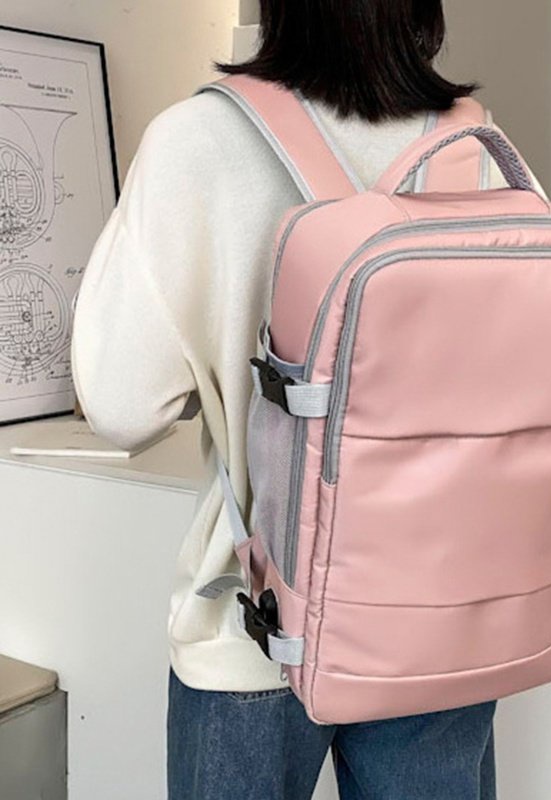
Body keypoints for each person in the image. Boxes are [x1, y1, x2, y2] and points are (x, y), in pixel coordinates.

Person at [71, 1, 505, 798]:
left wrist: (221, 362)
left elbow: (121, 405)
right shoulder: (474, 146)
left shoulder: (198, 141)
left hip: (258, 626)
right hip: (443, 623)